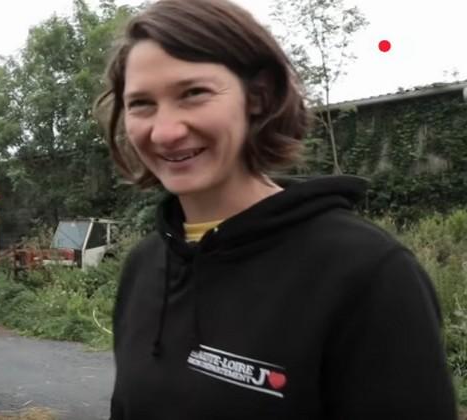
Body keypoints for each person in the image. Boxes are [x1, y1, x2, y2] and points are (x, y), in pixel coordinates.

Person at [94, 0, 457, 418]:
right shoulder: (145, 265)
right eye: (142, 104)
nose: (167, 131)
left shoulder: (367, 272)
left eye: (194, 93)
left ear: (259, 96)